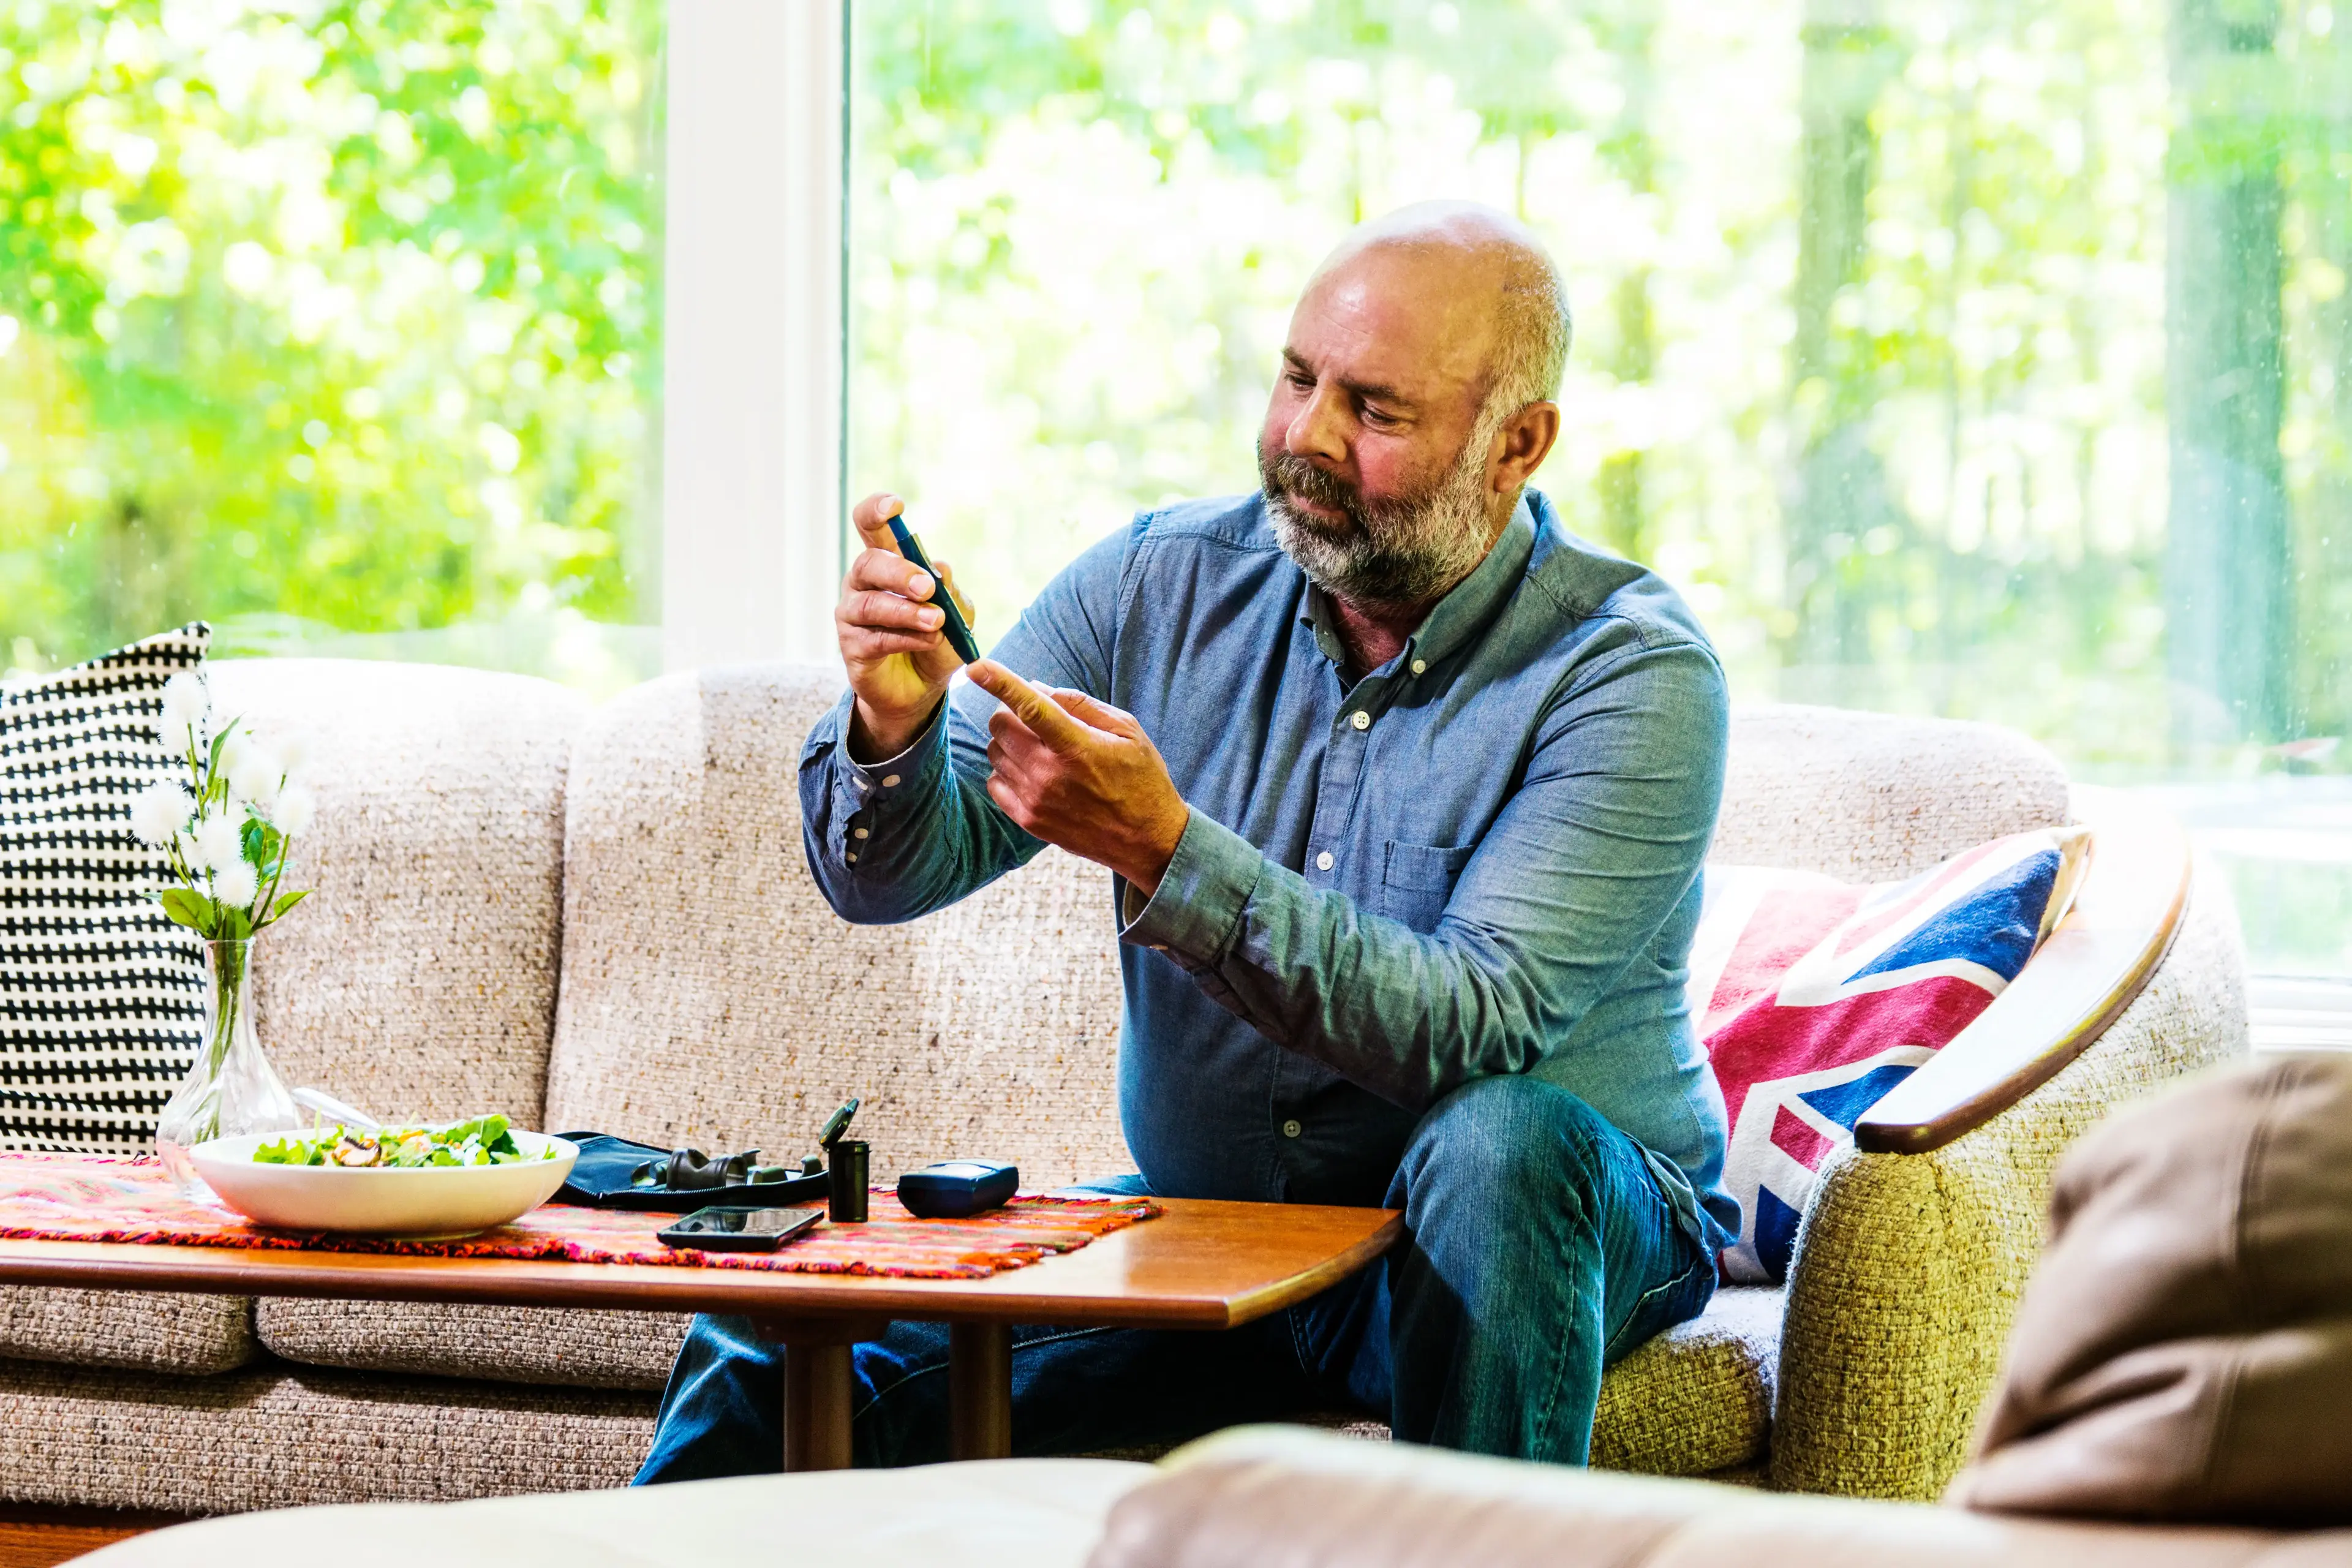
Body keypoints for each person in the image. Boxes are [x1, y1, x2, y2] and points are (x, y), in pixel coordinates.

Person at [636, 200, 1736, 1478]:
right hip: (1228, 1239)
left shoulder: (1630, 673)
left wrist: (1169, 853)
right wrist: (894, 721)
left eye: (1375, 412)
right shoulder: (1162, 580)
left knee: (1500, 1144)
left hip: (1545, 1234)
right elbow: (891, 876)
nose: (1307, 440)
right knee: (775, 1335)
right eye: (1295, 378)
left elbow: (1470, 1022)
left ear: (1518, 444)